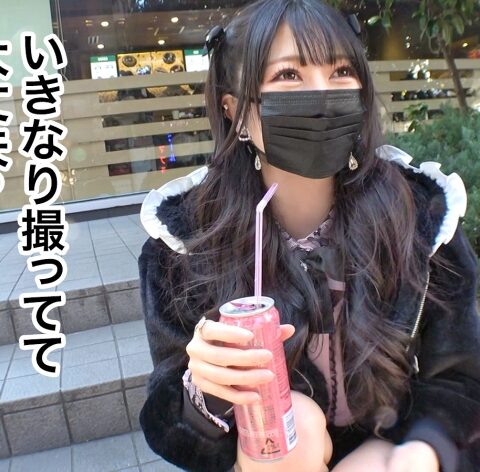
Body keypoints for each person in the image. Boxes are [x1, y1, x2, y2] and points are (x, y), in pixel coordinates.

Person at [137, 1, 480, 471]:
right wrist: (206, 394)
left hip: (392, 447)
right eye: (288, 75)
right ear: (234, 108)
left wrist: (424, 451)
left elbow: (462, 378)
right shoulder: (185, 241)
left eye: (341, 71)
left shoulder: (421, 217)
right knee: (292, 427)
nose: (321, 94)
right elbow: (171, 426)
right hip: (269, 456)